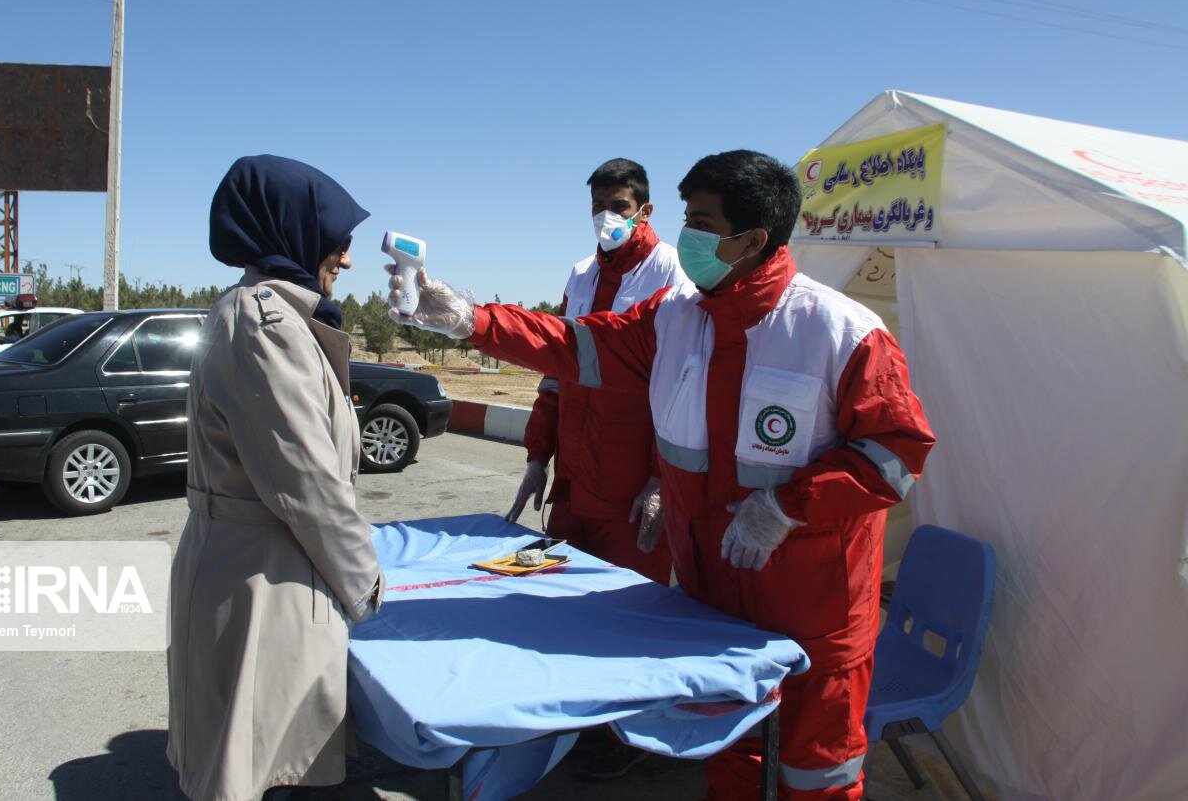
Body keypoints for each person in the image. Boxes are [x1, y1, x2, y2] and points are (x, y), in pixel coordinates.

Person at [388, 150, 936, 800]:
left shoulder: (841, 333)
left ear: (753, 240)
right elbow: (574, 345)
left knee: (816, 777)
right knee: (730, 764)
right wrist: (469, 319)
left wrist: (791, 504)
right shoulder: (676, 319)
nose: (686, 237)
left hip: (814, 623)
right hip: (712, 608)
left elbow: (898, 450)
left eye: (701, 222)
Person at [167, 155, 384, 801]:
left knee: (251, 757)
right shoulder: (265, 326)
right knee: (252, 765)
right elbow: (307, 484)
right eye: (336, 239)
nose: (345, 258)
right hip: (262, 578)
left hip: (261, 563)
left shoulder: (269, 315)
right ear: (291, 228)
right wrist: (365, 585)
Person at [507, 158, 687, 590]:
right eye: (597, 205)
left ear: (645, 211)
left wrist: (660, 480)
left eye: (619, 205)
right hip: (573, 483)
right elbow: (557, 372)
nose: (606, 215)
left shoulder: (671, 271)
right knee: (557, 598)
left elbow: (678, 388)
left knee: (626, 615)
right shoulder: (581, 274)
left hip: (629, 494)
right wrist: (538, 456)